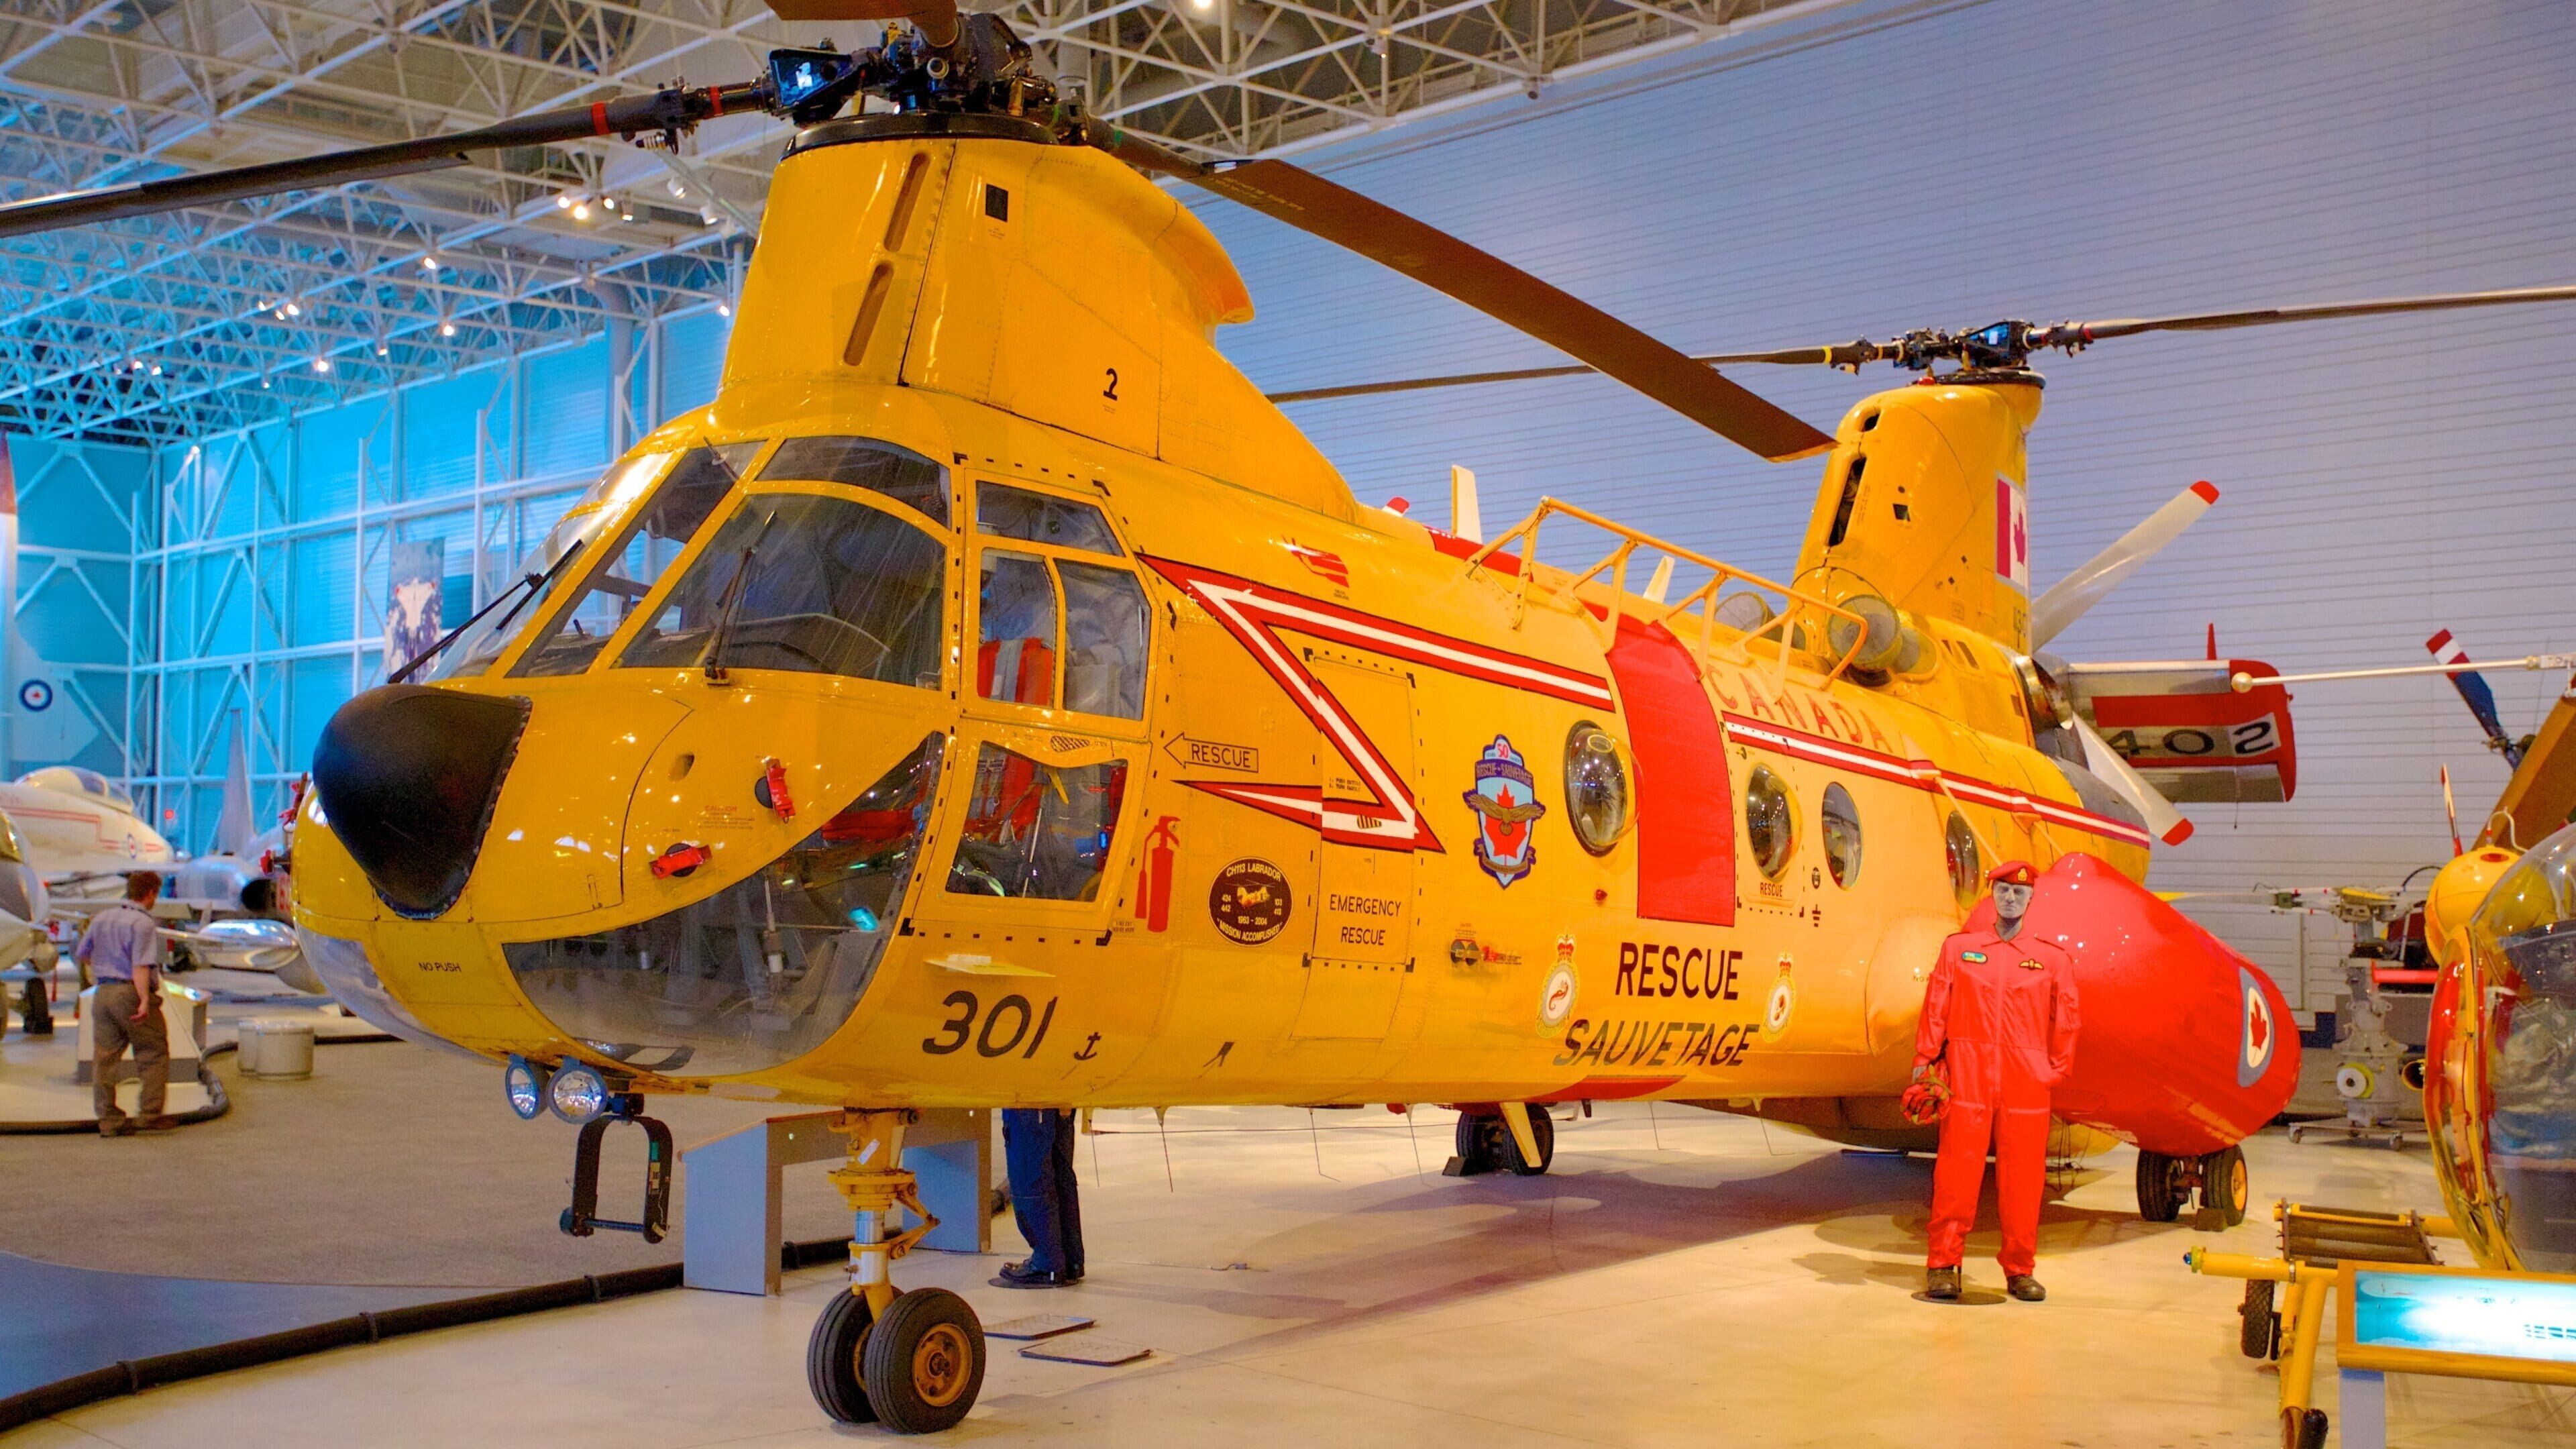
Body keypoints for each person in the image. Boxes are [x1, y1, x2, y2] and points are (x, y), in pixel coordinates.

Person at [1915, 859, 2080, 1303]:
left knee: (2024, 1179)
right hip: (1968, 1074)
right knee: (1956, 1172)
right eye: (2003, 890)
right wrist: (1926, 1062)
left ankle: (2020, 1268)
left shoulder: (2051, 959)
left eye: (2019, 893)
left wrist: (2055, 1070)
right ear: (1992, 894)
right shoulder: (1959, 949)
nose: (2011, 898)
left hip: (2027, 1082)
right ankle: (1944, 1265)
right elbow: (1936, 1004)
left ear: (2031, 899)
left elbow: (2067, 1020)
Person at [80, 872, 173, 1138]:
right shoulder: (142, 923)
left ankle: (108, 1121)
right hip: (129, 993)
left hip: (103, 993)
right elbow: (140, 965)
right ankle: (150, 1114)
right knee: (152, 1052)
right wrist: (143, 999)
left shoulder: (101, 918)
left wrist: (104, 968)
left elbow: (84, 954)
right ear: (152, 893)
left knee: (105, 1059)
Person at [994, 1107, 1085, 1288]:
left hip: (1030, 1099)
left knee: (1029, 1175)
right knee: (1060, 1175)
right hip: (1059, 1095)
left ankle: (1047, 1263)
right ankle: (1069, 1261)